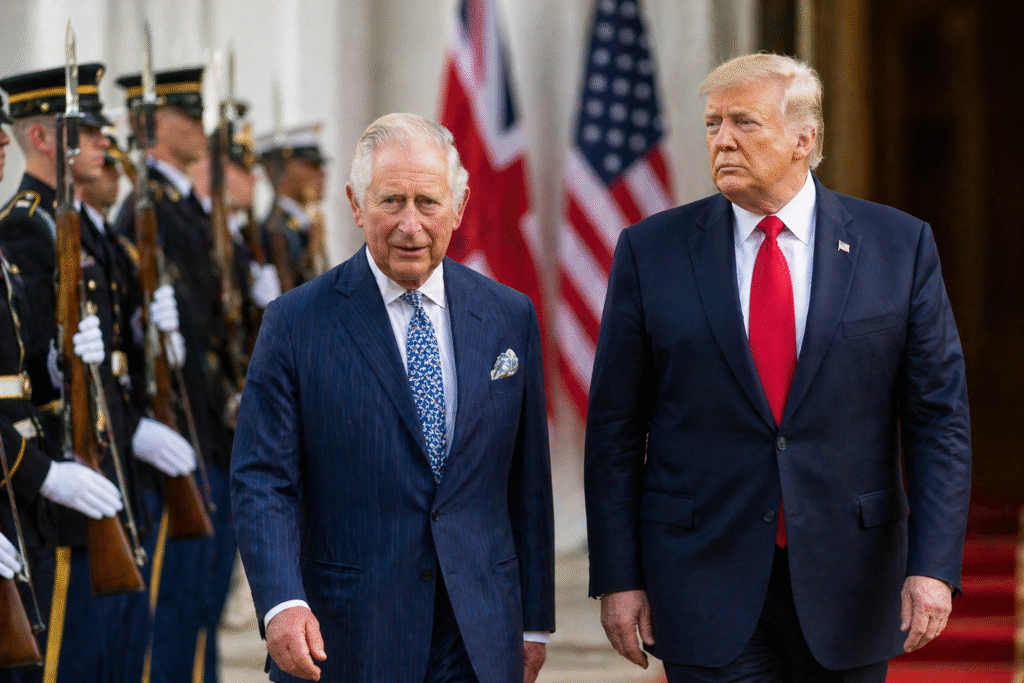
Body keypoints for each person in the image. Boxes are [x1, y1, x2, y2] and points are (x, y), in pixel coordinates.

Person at [584, 53, 971, 683]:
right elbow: (615, 432)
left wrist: (932, 567)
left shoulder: (898, 247)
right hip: (701, 578)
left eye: (744, 123)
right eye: (712, 125)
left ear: (804, 138)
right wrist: (620, 578)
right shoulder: (650, 252)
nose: (723, 140)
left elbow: (939, 422)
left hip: (851, 578)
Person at [231, 112, 555, 683]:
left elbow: (526, 483)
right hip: (344, 637)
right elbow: (263, 481)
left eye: (428, 202)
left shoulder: (510, 317)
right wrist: (281, 602)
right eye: (391, 202)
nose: (411, 225)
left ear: (458, 207)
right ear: (356, 205)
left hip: (478, 634)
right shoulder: (294, 323)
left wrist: (533, 623)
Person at [0, 64, 183, 683]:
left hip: (91, 467)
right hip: (48, 478)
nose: (103, 142)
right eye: (83, 128)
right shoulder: (29, 225)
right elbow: (21, 378)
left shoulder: (73, 224)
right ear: (45, 139)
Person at [256, 122, 328, 292]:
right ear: (279, 169)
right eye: (311, 165)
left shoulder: (305, 224)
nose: (322, 174)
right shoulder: (274, 229)